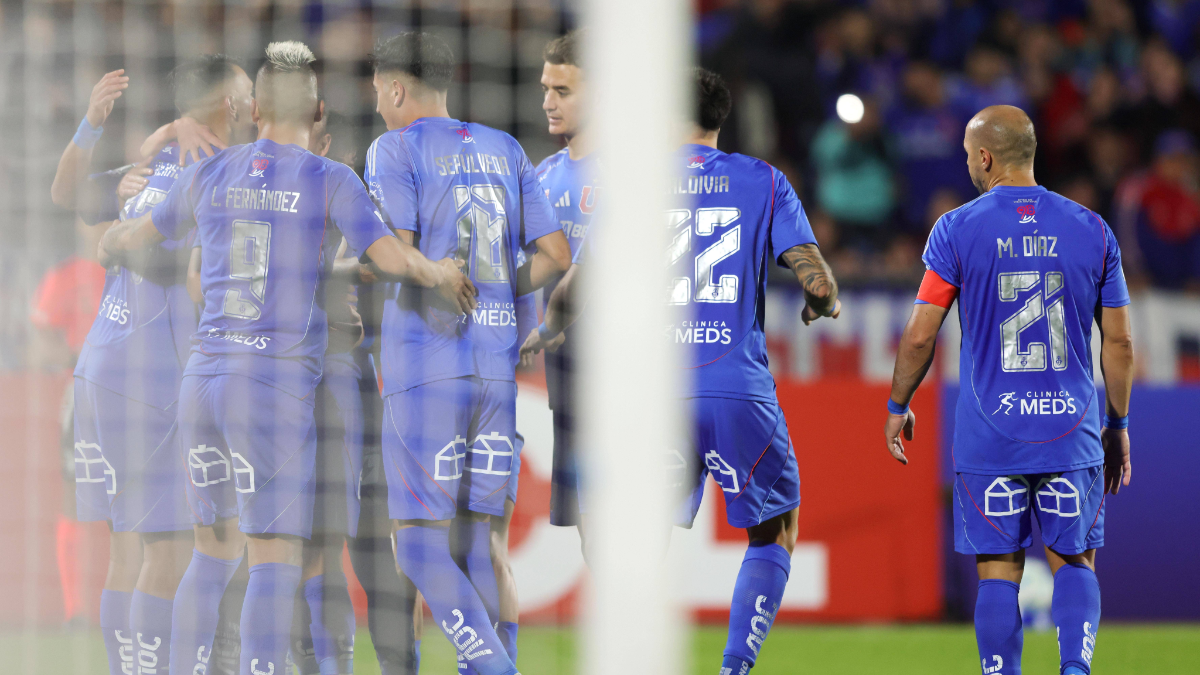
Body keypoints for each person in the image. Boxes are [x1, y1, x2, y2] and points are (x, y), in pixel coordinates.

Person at [99, 40, 472, 675]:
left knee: (211, 552)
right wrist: (441, 271)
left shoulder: (208, 173)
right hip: (270, 389)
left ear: (254, 111)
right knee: (275, 561)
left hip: (203, 381)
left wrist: (111, 237)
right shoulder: (330, 179)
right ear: (319, 110)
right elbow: (392, 261)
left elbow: (131, 238)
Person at [526, 67, 842, 675]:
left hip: (654, 395)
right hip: (734, 387)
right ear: (720, 119)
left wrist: (547, 330)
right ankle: (734, 668)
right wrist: (820, 300)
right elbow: (817, 278)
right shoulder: (764, 179)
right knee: (775, 529)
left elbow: (575, 288)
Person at [884, 105, 1134, 675]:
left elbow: (920, 334)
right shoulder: (1093, 229)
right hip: (1069, 430)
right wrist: (1118, 424)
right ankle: (1075, 669)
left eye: (969, 156)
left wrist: (899, 404)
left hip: (990, 435)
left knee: (998, 572)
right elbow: (1119, 342)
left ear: (985, 157)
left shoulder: (955, 229)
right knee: (1074, 562)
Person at [363, 31, 569, 675]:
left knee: (417, 548)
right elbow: (557, 255)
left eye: (378, 92)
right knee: (479, 543)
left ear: (397, 88)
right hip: (495, 370)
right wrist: (496, 293)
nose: (376, 105)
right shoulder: (506, 147)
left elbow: (396, 253)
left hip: (425, 365)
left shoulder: (394, 148)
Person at [69, 55, 255, 675]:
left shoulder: (157, 164)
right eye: (248, 91)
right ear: (229, 104)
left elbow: (67, 196)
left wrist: (115, 239)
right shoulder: (218, 172)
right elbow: (194, 276)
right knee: (172, 552)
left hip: (104, 361)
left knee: (130, 550)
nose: (256, 102)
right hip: (152, 374)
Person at [525, 30, 596, 555]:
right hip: (568, 370)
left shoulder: (639, 173)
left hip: (629, 365)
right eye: (545, 89)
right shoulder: (542, 178)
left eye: (563, 91)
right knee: (591, 525)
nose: (548, 102)